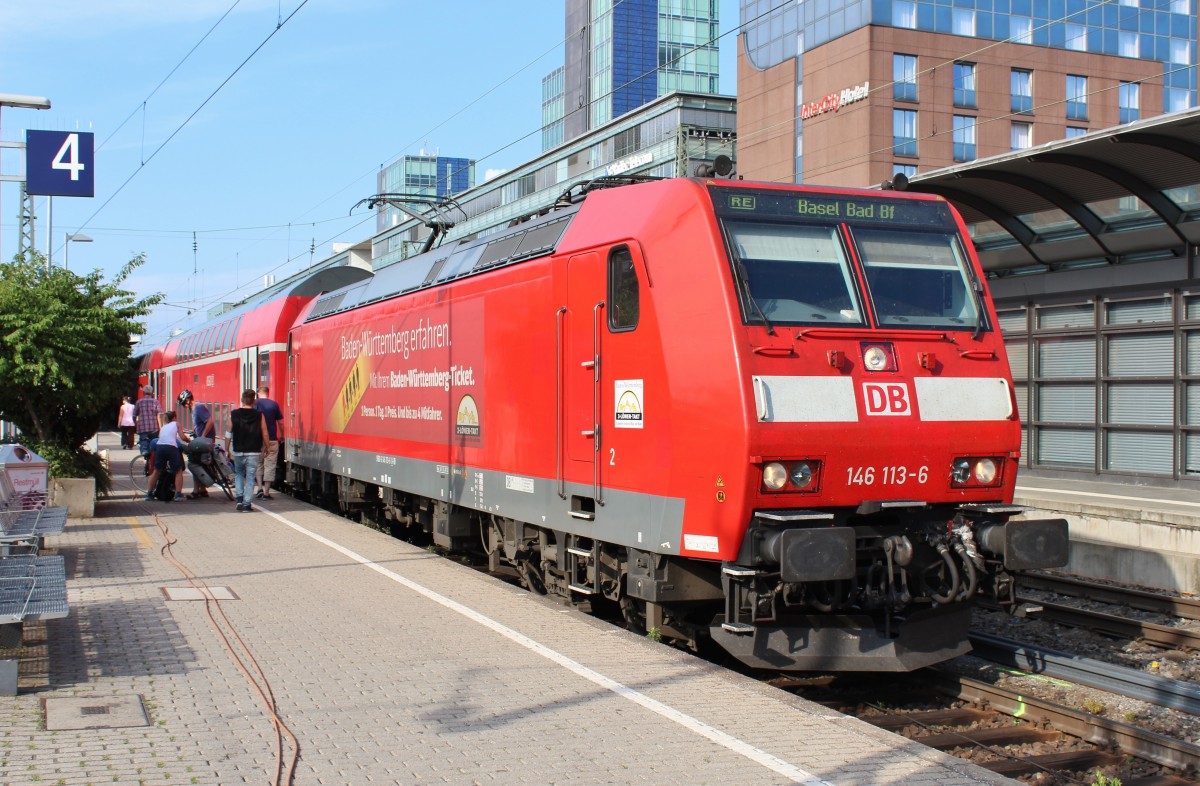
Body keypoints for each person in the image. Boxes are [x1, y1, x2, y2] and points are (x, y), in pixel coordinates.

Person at [226, 389, 268, 512]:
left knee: (239, 474)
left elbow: (228, 433)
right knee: (250, 477)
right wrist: (267, 447)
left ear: (242, 400)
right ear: (254, 401)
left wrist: (227, 448)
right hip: (253, 451)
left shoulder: (233, 414)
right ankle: (246, 504)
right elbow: (265, 433)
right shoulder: (259, 415)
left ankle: (239, 499)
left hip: (238, 450)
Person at [178, 390, 214, 498]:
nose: (183, 406)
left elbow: (210, 421)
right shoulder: (193, 409)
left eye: (183, 403)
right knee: (198, 463)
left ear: (188, 400)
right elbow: (199, 424)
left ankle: (196, 491)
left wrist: (203, 435)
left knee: (193, 463)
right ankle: (202, 490)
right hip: (201, 440)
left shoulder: (198, 407)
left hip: (204, 441)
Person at [147, 411, 186, 502]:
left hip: (159, 447)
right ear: (174, 418)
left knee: (156, 471)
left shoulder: (164, 427)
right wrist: (189, 441)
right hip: (171, 447)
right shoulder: (176, 424)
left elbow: (161, 436)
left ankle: (149, 494)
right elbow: (183, 437)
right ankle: (178, 494)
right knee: (178, 471)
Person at [254, 385, 284, 500]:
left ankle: (259, 488)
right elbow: (281, 422)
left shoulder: (255, 404)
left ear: (258, 393)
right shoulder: (274, 404)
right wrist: (282, 435)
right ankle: (266, 492)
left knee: (258, 464)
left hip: (257, 440)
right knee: (270, 465)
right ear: (268, 393)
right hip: (272, 439)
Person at [134, 386, 163, 457]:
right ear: (152, 393)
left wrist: (136, 425)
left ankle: (145, 454)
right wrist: (161, 427)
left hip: (142, 428)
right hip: (154, 428)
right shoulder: (156, 402)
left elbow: (134, 415)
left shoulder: (138, 402)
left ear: (143, 392)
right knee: (155, 445)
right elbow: (160, 414)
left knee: (144, 442)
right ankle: (154, 461)